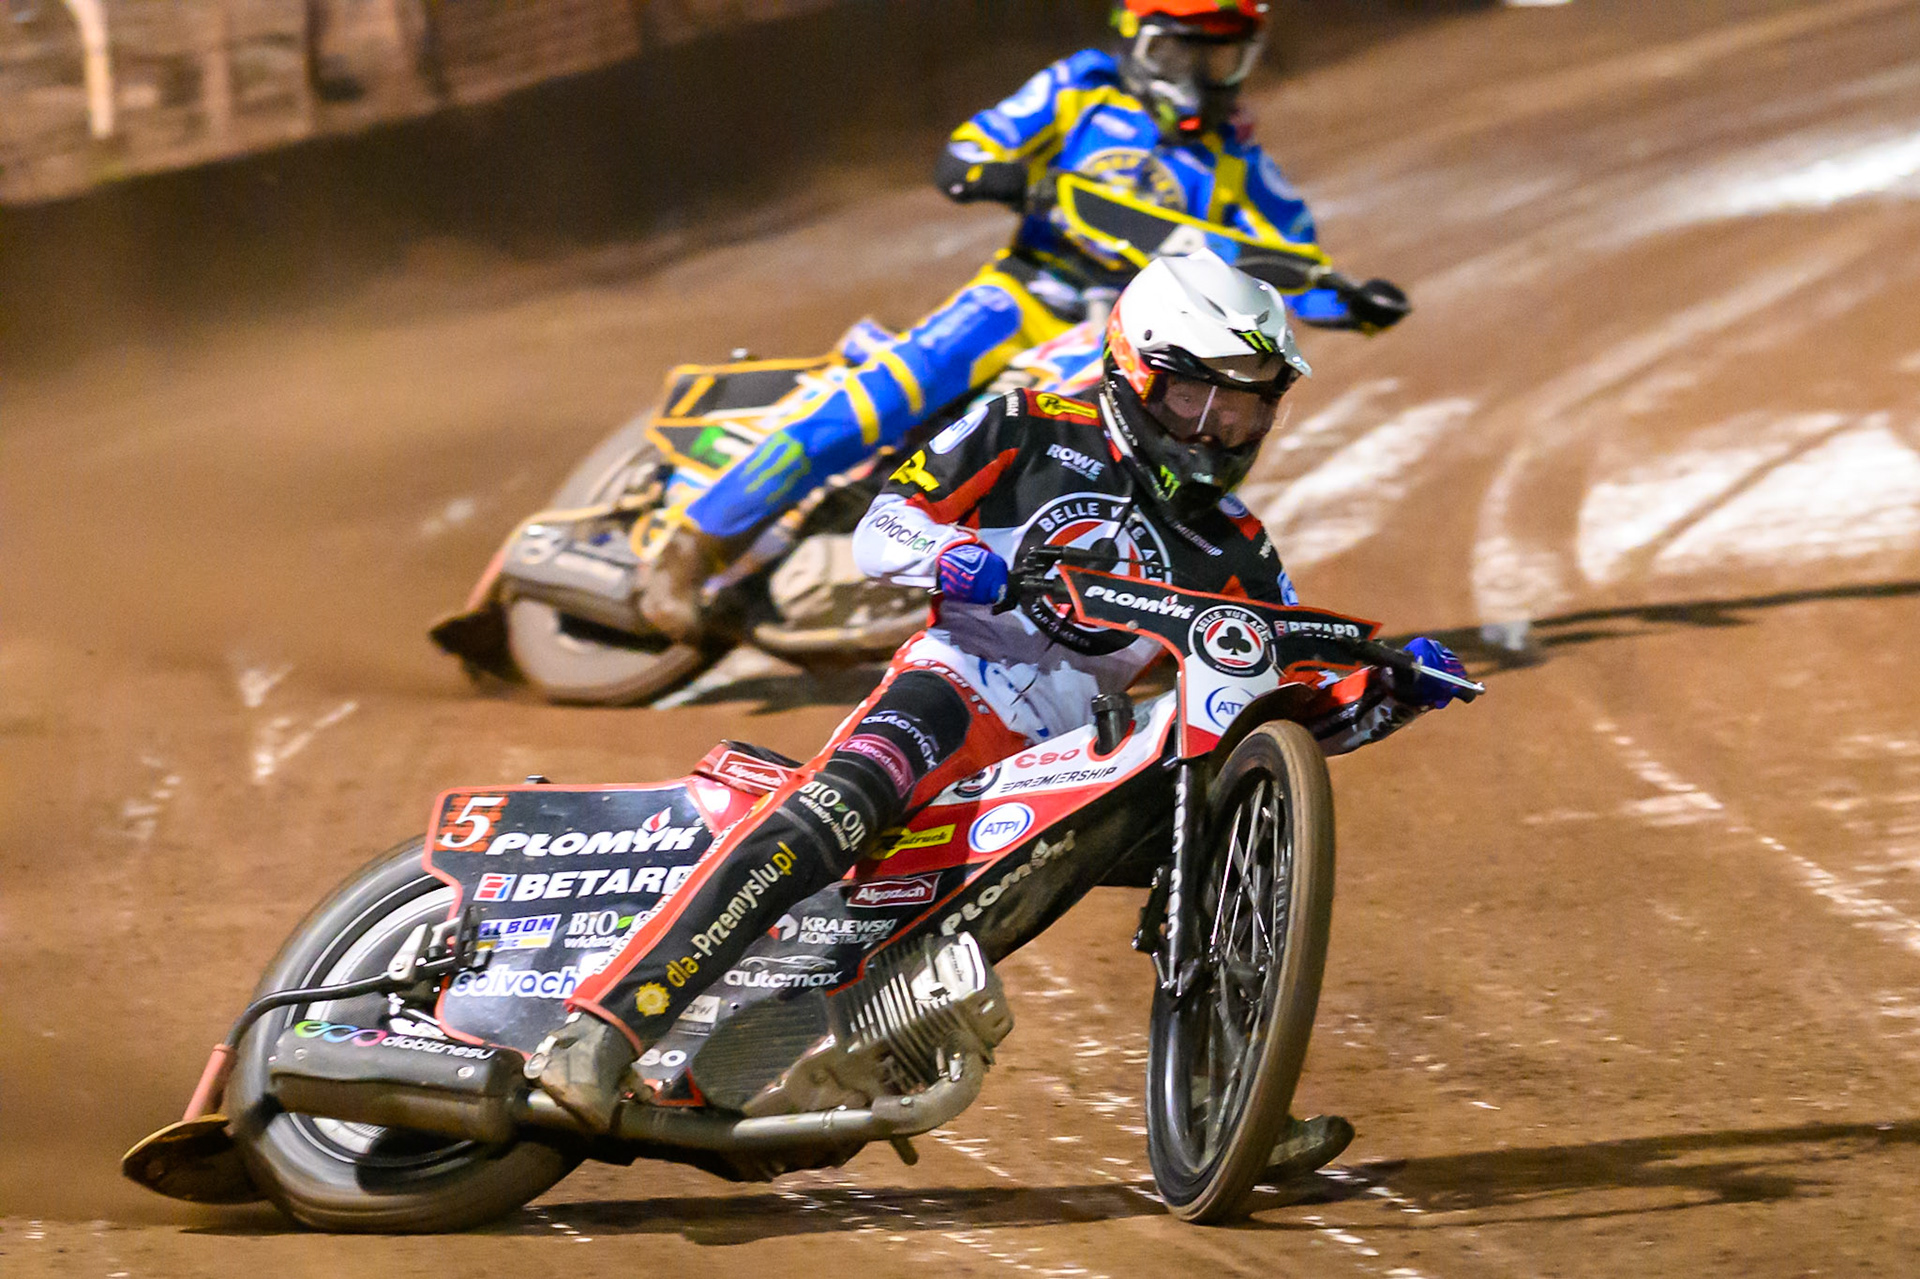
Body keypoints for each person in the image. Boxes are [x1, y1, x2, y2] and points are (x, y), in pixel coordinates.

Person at [529, 250, 1463, 1131]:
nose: (1220, 429)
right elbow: (883, 527)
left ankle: (1234, 1104)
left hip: (1073, 761)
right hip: (955, 686)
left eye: (1246, 408)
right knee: (836, 810)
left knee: (1223, 842)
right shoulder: (1026, 425)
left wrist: (1386, 697)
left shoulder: (1239, 544)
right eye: (1196, 396)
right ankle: (599, 1032)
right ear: (1137, 373)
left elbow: (1274, 696)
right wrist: (957, 556)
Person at [638, 0, 1411, 640]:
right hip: (1026, 291)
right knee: (884, 399)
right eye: (1184, 55)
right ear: (1141, 42)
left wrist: (1352, 300)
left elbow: (1290, 267)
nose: (1203, 77)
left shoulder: (1240, 160)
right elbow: (969, 151)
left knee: (1137, 448)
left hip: (1130, 332)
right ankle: (692, 546)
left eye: (1221, 59)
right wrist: (1001, 175)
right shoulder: (1081, 89)